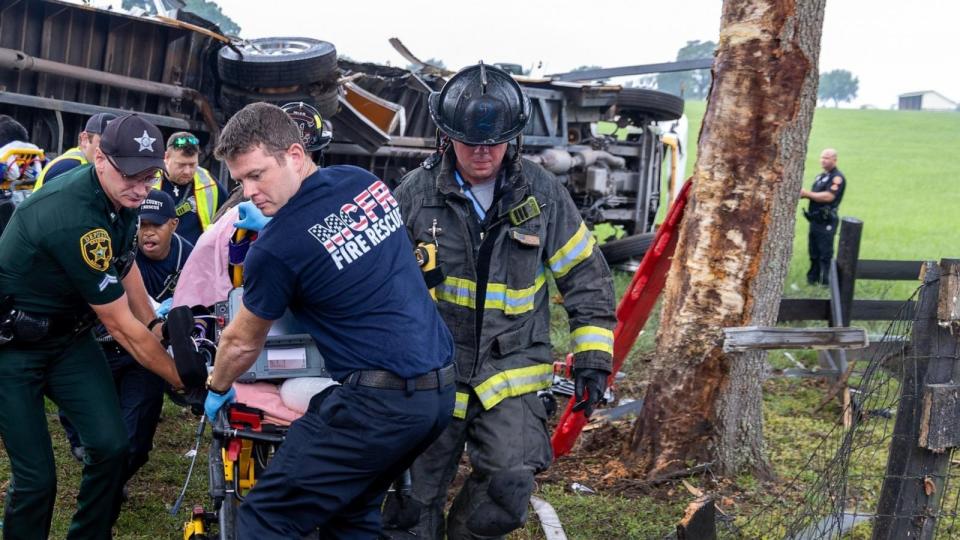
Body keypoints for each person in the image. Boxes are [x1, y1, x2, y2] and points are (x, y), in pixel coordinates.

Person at [203, 102, 455, 538]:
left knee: (265, 516)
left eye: (257, 174)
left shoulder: (275, 250)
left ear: (296, 155)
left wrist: (218, 387)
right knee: (351, 510)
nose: (247, 192)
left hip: (377, 406)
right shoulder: (365, 184)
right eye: (240, 179)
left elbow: (241, 343)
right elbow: (342, 248)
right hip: (438, 394)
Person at [386, 63, 617, 539]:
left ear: (514, 137)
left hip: (510, 372)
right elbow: (380, 284)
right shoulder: (415, 194)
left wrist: (594, 358)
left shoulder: (543, 194)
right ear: (447, 136)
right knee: (409, 502)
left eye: (494, 141)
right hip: (432, 371)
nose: (483, 152)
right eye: (470, 141)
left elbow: (586, 277)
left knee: (508, 488)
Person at [0, 113, 200, 539]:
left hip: (68, 338)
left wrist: (155, 322)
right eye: (131, 175)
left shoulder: (123, 200)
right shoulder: (74, 216)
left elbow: (124, 266)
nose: (141, 188)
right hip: (12, 347)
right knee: (37, 479)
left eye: (150, 177)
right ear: (101, 158)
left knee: (112, 447)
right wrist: (182, 380)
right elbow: (122, 328)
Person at [61, 189, 194, 485]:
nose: (147, 233)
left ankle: (111, 483)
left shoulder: (190, 258)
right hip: (103, 344)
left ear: (173, 224)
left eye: (156, 225)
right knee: (85, 419)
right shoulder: (116, 250)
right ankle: (90, 457)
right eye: (141, 224)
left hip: (147, 353)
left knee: (136, 436)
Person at [152, 131, 225, 244]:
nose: (187, 171)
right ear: (166, 157)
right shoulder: (148, 180)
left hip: (194, 257)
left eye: (192, 165)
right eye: (181, 165)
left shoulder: (208, 183)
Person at [34, 112, 116, 190]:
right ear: (85, 139)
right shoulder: (70, 167)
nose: (110, 150)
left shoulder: (81, 163)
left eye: (116, 144)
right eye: (104, 143)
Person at [800, 148, 846, 286]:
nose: (823, 160)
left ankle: (827, 283)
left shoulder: (837, 178)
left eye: (827, 158)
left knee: (825, 253)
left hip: (826, 220)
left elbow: (829, 196)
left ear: (834, 160)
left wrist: (807, 194)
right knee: (813, 252)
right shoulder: (820, 176)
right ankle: (812, 281)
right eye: (822, 157)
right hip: (815, 219)